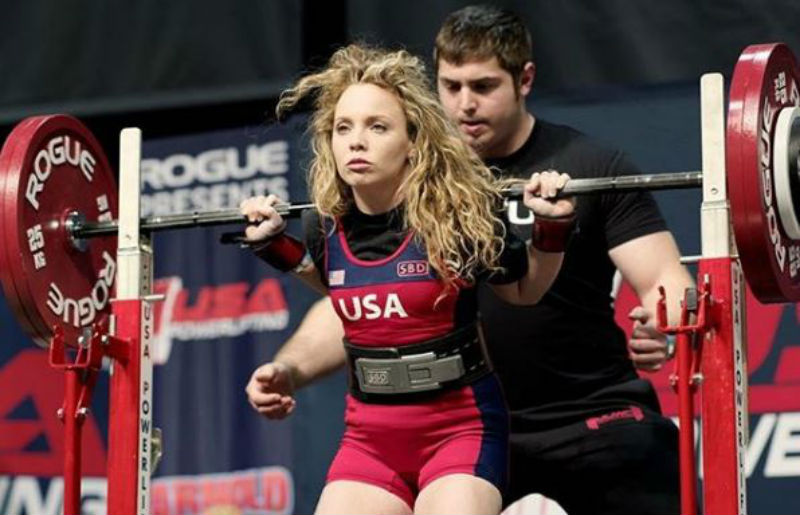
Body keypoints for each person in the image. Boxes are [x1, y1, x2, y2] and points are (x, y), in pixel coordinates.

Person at [246, 6, 694, 514]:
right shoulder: (392, 193)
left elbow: (665, 280)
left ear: (524, 79)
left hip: (585, 418)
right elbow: (361, 302)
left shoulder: (589, 166)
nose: (465, 105)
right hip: (465, 423)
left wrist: (661, 322)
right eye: (451, 86)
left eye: (482, 87)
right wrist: (288, 369)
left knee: (649, 460)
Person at [241, 44, 576, 515]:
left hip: (459, 430)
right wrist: (277, 248)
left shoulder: (458, 217)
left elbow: (527, 291)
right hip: (369, 440)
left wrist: (552, 228)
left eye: (378, 127)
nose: (356, 141)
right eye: (343, 128)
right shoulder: (324, 224)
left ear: (413, 141)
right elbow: (346, 292)